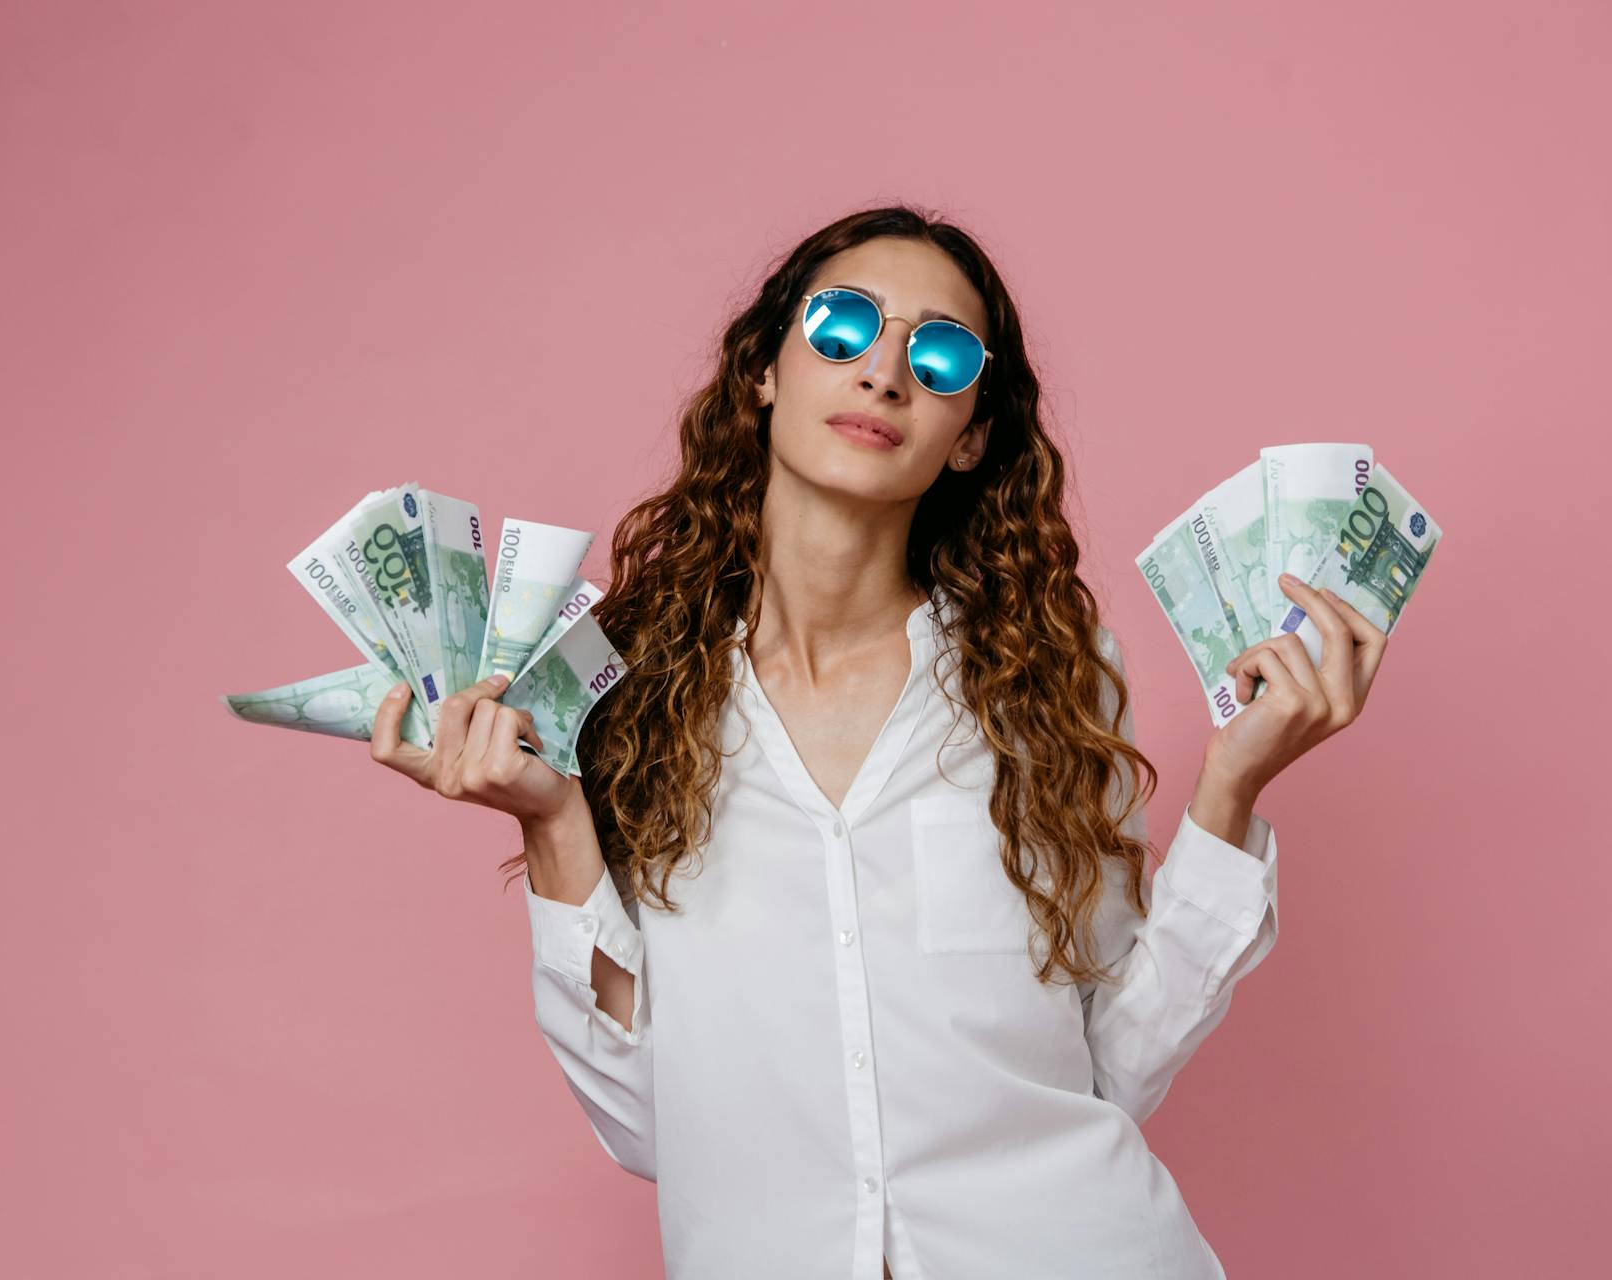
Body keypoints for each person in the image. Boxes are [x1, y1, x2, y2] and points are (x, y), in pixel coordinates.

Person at [366, 205, 1388, 1279]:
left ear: (974, 435)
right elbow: (649, 1127)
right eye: (843, 325)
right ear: (765, 369)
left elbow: (1115, 1063)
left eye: (941, 354)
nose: (886, 372)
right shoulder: (629, 688)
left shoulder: (1044, 674)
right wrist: (552, 819)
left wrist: (1232, 787)